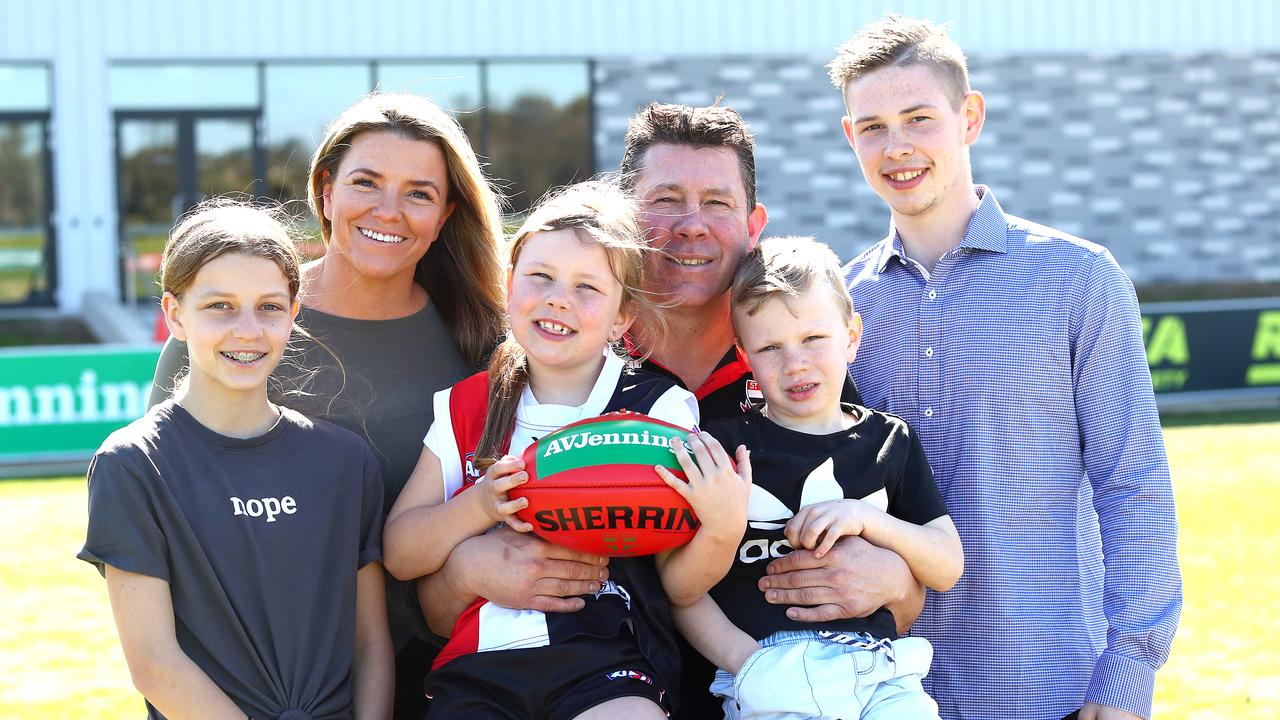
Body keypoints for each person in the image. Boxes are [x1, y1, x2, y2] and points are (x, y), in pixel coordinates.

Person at [832, 15, 1182, 720]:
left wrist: (1128, 675)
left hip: (1051, 685)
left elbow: (1134, 483)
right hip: (887, 693)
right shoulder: (842, 308)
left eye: (919, 118)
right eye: (872, 127)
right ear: (850, 138)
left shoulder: (1078, 278)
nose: (896, 147)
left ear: (970, 117)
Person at [147, 92, 509, 719]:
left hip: (435, 681)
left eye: (419, 193)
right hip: (247, 689)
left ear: (447, 213)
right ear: (324, 191)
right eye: (365, 182)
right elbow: (156, 525)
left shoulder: (483, 345)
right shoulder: (243, 327)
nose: (388, 211)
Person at [386, 180, 745, 718]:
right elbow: (400, 550)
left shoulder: (658, 411)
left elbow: (676, 581)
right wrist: (478, 506)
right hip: (479, 663)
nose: (558, 298)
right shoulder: (466, 407)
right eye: (540, 277)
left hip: (607, 654)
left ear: (623, 316)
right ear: (509, 286)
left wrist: (722, 527)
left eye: (587, 287)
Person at [80, 200, 393, 719]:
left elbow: (371, 646)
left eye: (269, 306)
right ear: (175, 314)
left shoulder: (344, 462)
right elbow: (155, 663)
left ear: (294, 314)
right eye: (220, 306)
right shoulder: (133, 465)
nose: (247, 329)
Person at [667, 236, 961, 719]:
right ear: (745, 357)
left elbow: (946, 564)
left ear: (851, 336)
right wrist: (746, 663)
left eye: (813, 339)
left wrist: (865, 518)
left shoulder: (889, 440)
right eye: (770, 348)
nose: (795, 363)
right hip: (767, 669)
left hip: (880, 673)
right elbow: (679, 589)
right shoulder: (723, 447)